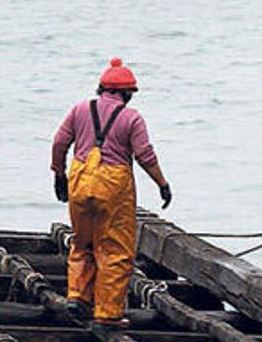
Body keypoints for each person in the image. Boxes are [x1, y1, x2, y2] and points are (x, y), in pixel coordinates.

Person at [50, 57, 172, 332]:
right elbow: (144, 155)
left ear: (101, 88)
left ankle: (78, 297)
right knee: (114, 250)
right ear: (127, 93)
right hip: (112, 185)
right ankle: (107, 315)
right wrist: (162, 183)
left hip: (80, 179)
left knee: (83, 242)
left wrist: (59, 174)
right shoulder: (132, 117)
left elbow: (59, 142)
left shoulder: (80, 108)